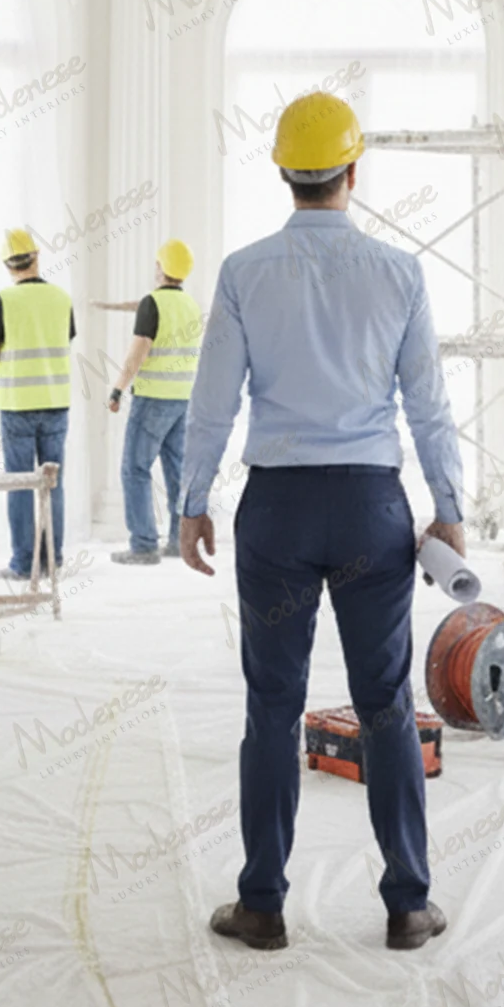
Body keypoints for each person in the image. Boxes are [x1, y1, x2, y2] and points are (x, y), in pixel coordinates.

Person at [178, 90, 463, 954]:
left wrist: (193, 501)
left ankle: (260, 904)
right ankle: (409, 905)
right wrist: (448, 510)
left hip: (279, 511)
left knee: (272, 706)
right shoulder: (400, 273)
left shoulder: (242, 272)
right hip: (372, 507)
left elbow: (211, 403)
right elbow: (430, 409)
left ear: (282, 173)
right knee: (386, 705)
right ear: (353, 168)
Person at [0, 227, 75, 580]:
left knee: (19, 483)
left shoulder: (4, 300)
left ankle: (23, 563)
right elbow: (64, 340)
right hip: (56, 402)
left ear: (8, 266)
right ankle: (53, 559)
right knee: (52, 483)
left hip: (17, 405)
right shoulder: (62, 298)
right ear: (36, 257)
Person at [95, 238, 201, 566]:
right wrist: (111, 307)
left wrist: (116, 389)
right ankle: (177, 542)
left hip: (153, 399)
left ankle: (143, 545)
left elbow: (136, 353)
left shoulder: (152, 304)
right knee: (176, 471)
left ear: (160, 267)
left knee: (134, 469)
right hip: (183, 399)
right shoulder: (190, 305)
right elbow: (144, 307)